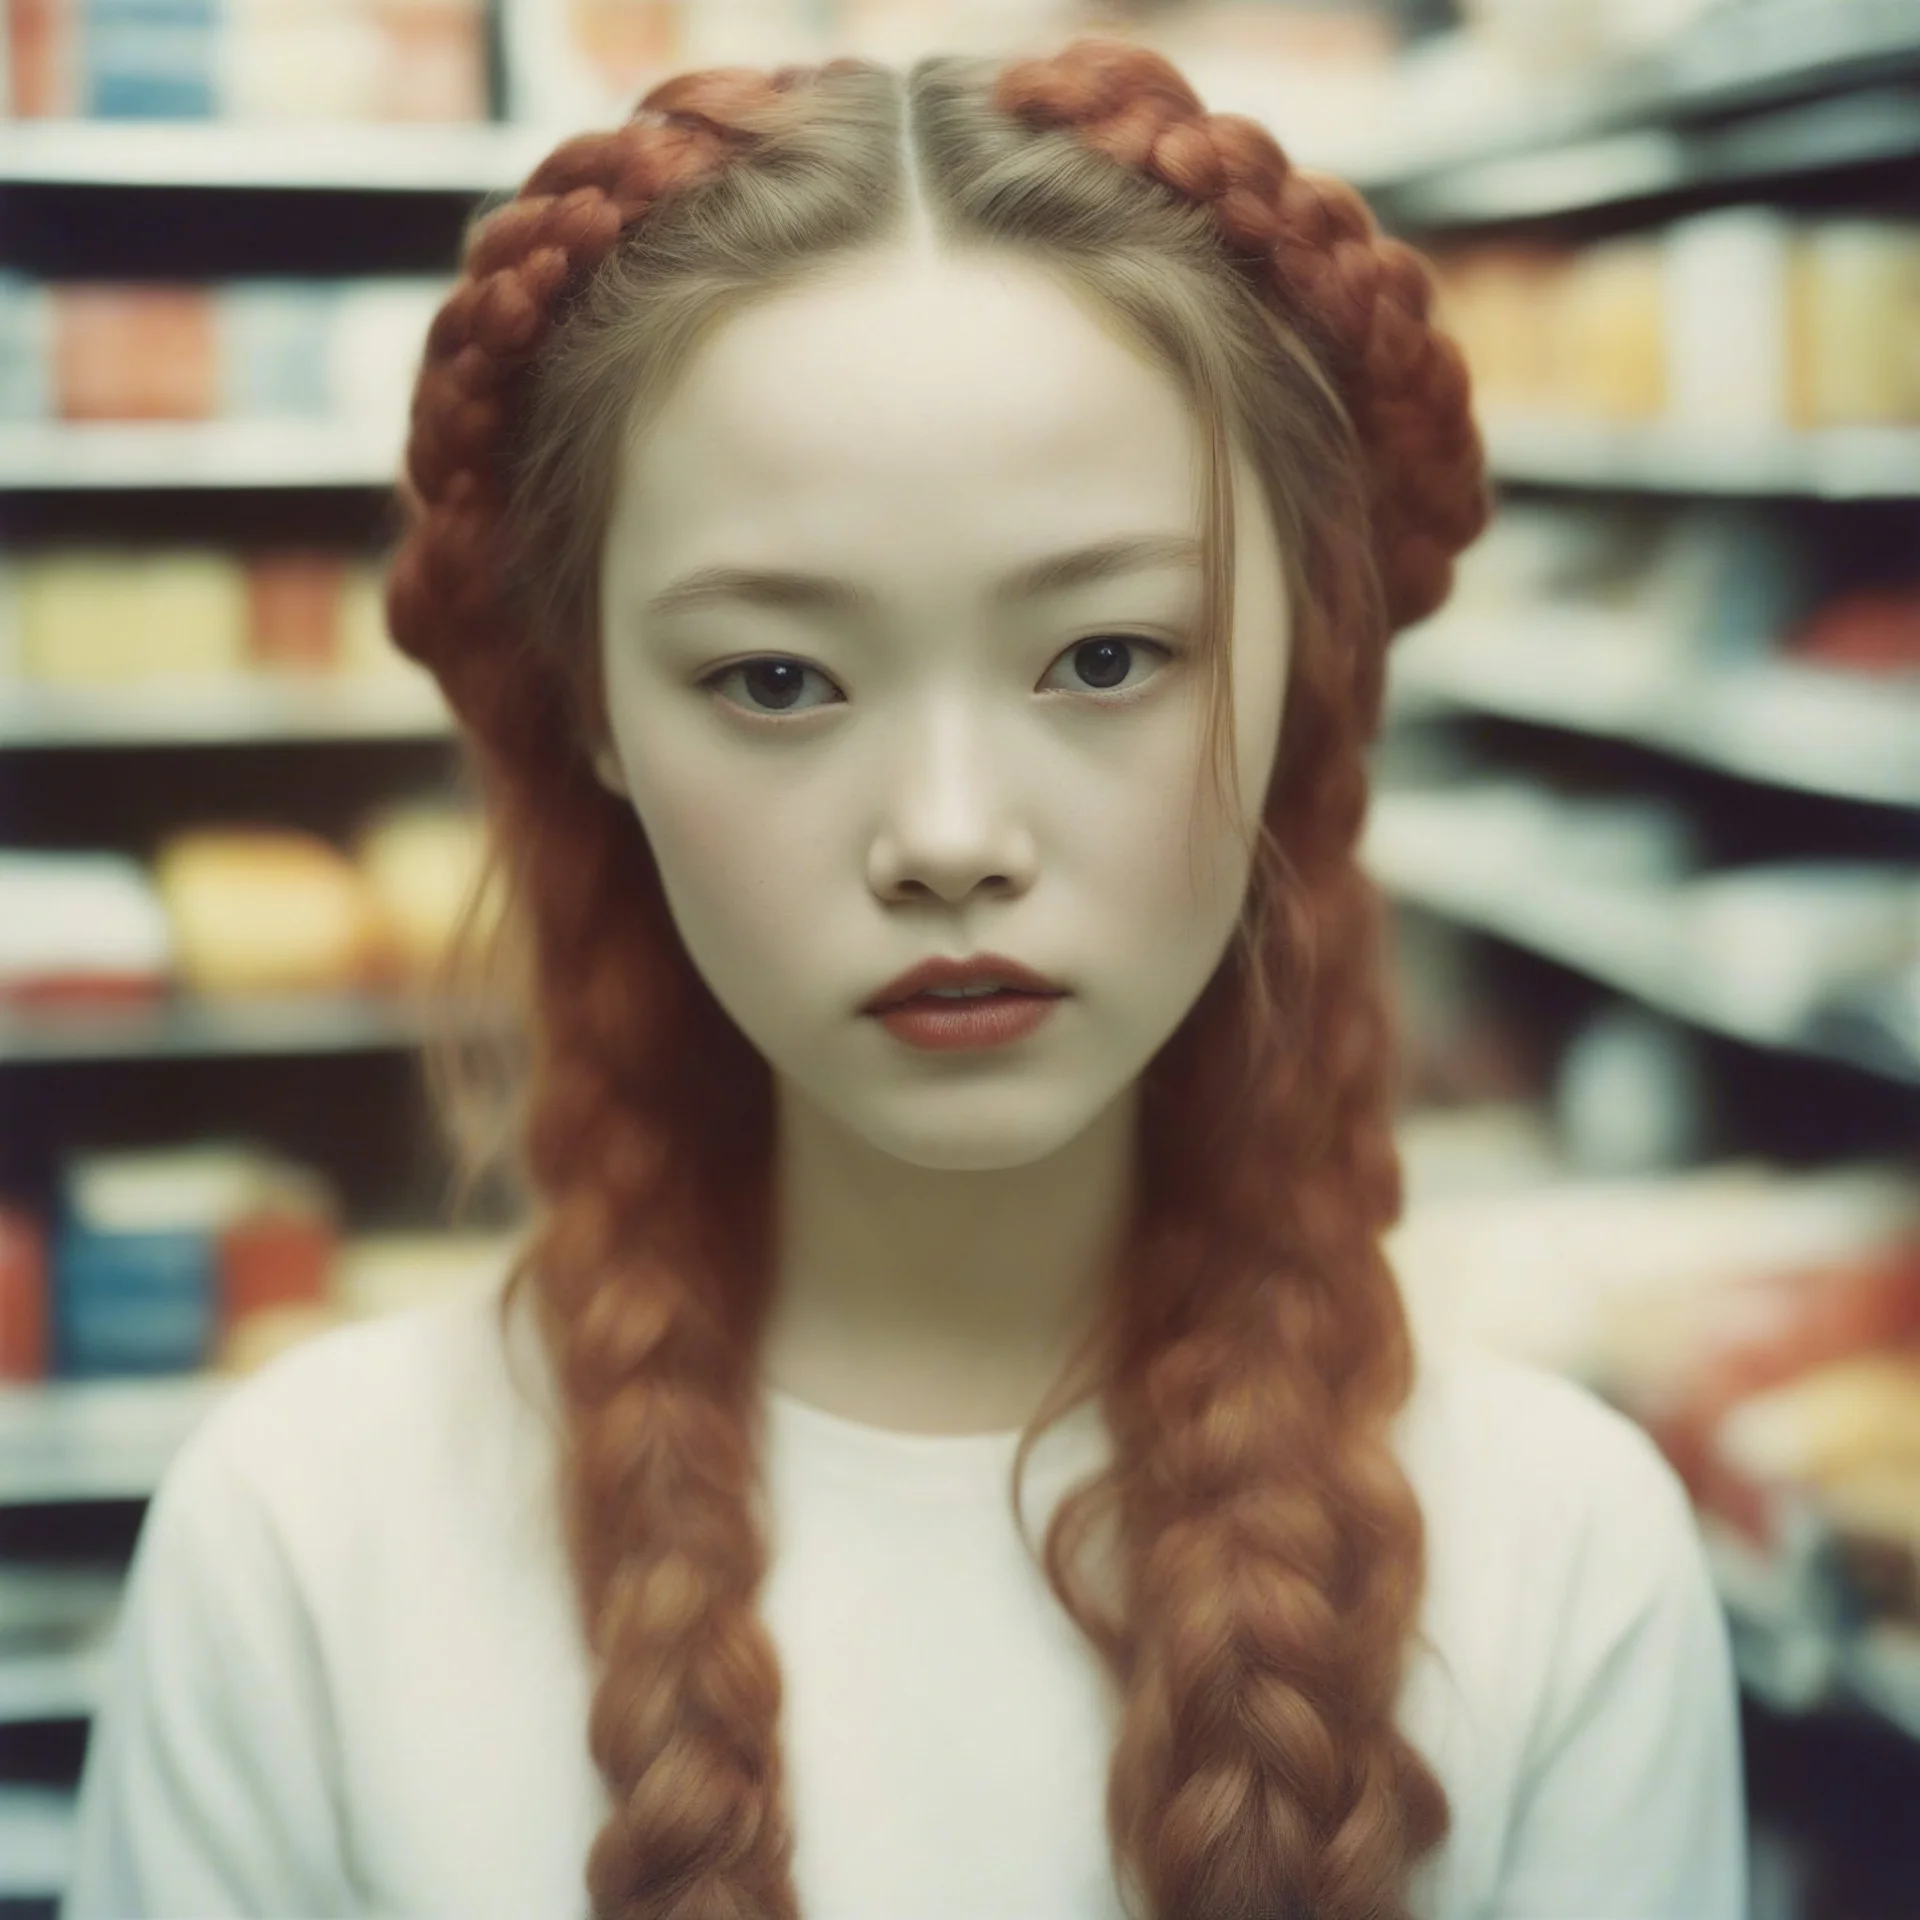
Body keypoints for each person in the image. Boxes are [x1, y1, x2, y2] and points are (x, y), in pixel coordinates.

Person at [61, 36, 1746, 1920]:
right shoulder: (303, 1556)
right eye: (775, 679)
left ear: (1307, 666)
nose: (947, 835)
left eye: (1107, 657)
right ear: (592, 711)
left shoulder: (1563, 1566)